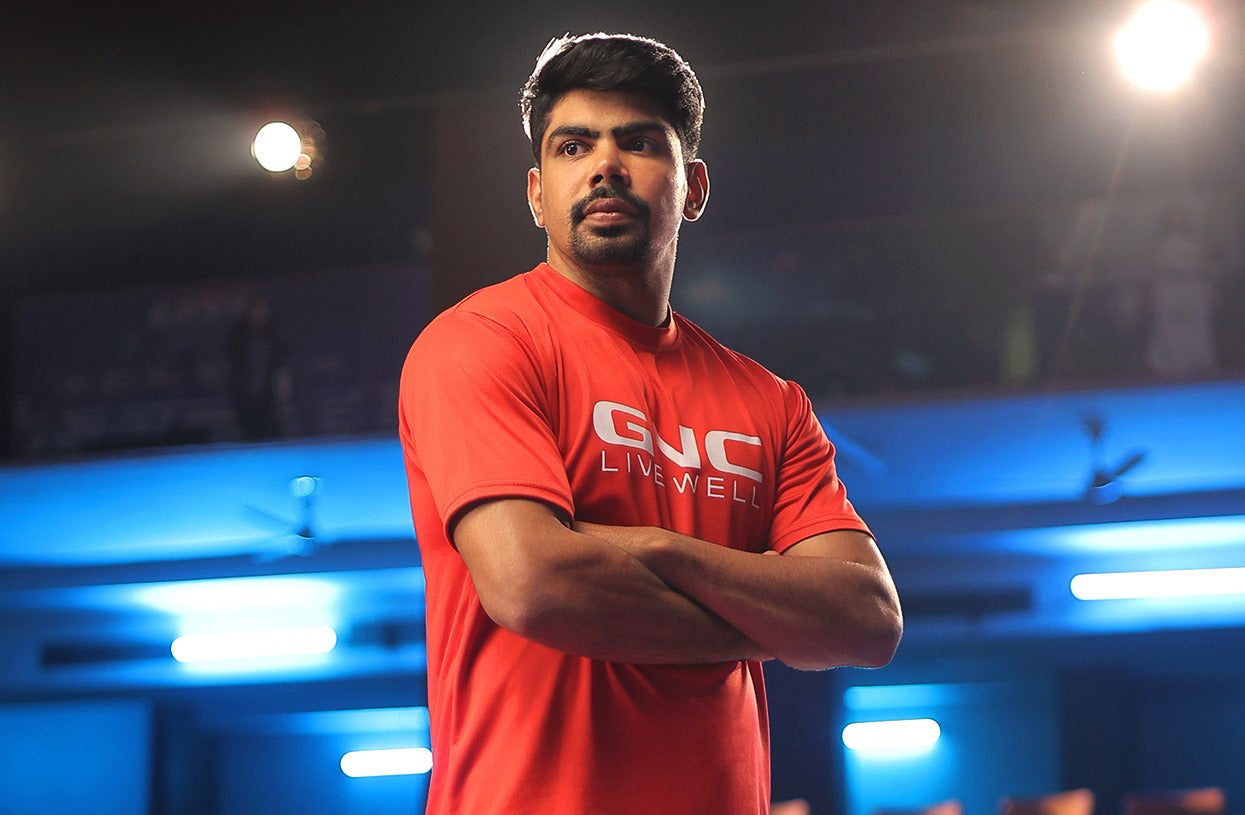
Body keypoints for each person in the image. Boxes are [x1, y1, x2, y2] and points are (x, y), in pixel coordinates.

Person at [398, 32, 902, 815]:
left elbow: (866, 620)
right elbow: (534, 584)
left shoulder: (770, 401)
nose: (604, 165)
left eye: (637, 143)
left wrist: (658, 548)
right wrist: (770, 623)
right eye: (573, 146)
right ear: (536, 193)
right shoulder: (481, 342)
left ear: (692, 187)